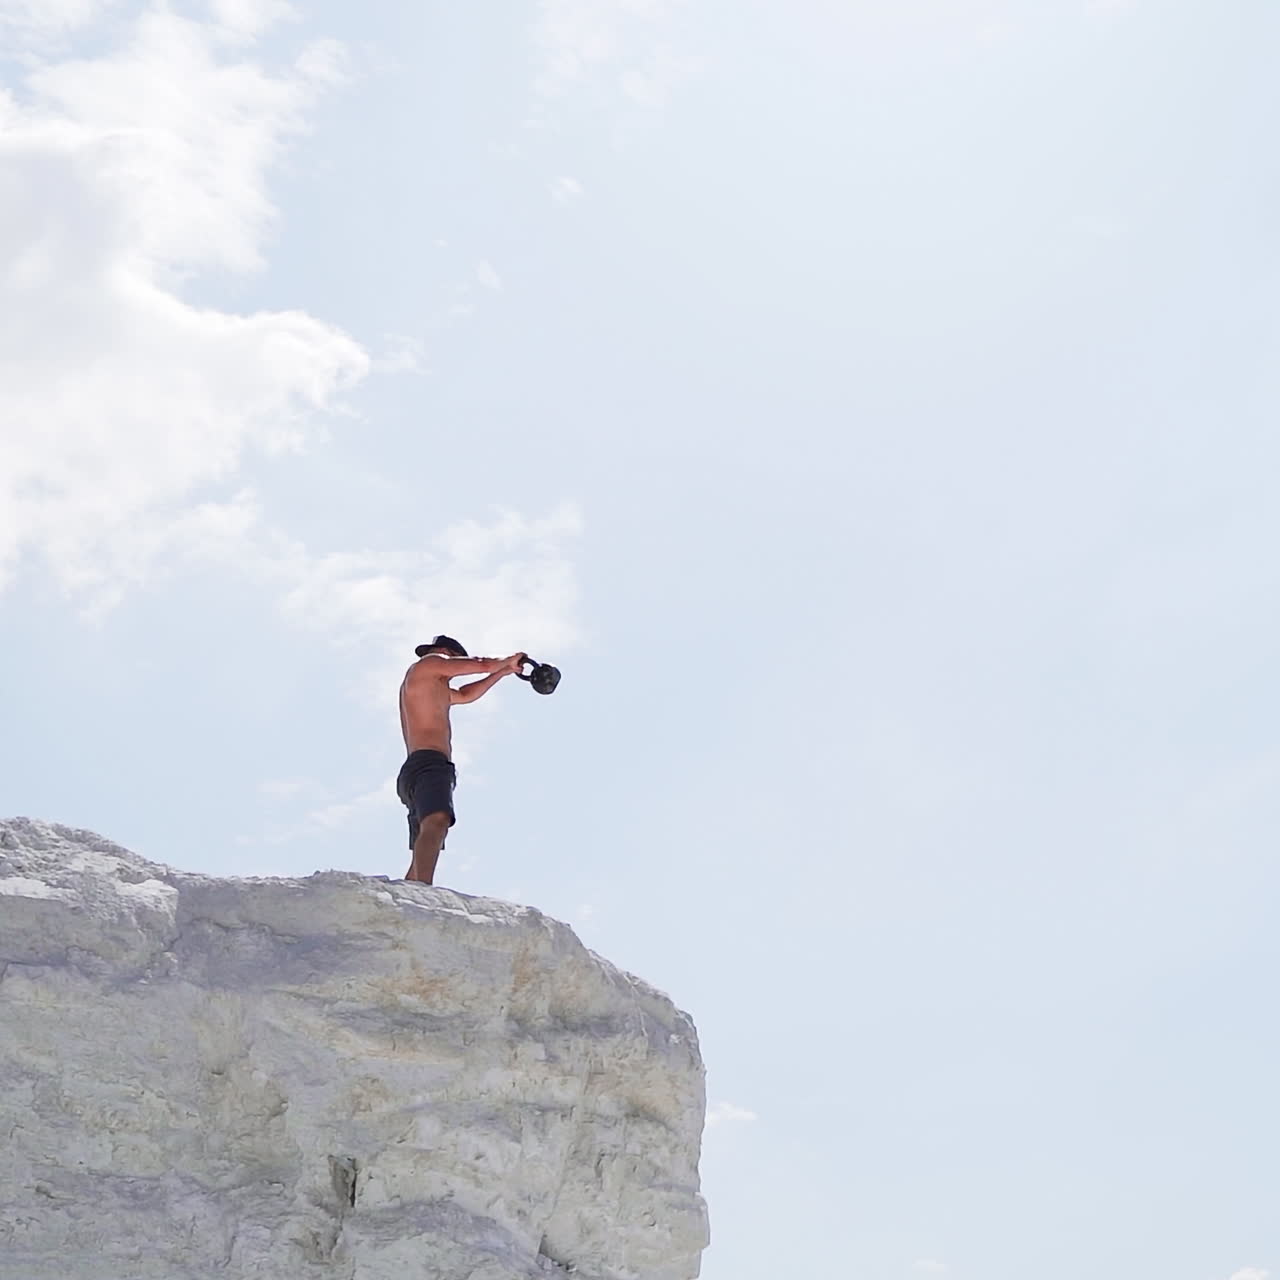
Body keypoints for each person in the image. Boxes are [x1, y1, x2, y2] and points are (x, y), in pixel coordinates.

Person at [396, 635, 526, 884]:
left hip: (418, 767)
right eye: (455, 661)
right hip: (429, 763)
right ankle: (423, 887)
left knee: (428, 834)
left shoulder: (432, 686)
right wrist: (505, 661)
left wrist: (504, 672)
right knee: (437, 821)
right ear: (447, 653)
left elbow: (467, 694)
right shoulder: (431, 662)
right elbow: (481, 664)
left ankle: (411, 889)